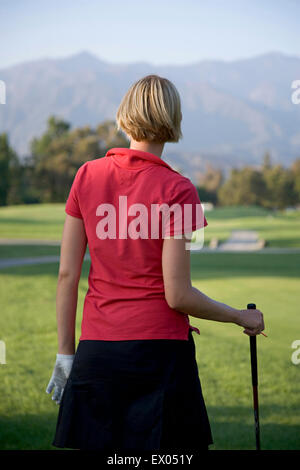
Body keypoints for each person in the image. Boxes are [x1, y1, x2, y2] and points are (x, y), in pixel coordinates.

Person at [46, 74, 265, 452]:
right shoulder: (178, 189)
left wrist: (66, 353)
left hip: (98, 352)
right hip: (159, 356)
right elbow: (177, 295)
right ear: (173, 119)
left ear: (125, 115)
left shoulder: (86, 175)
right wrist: (238, 317)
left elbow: (67, 275)